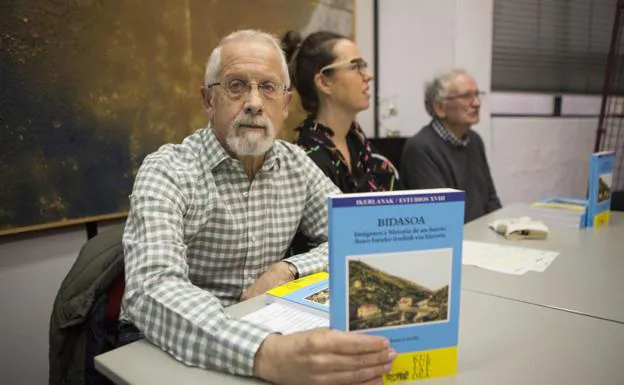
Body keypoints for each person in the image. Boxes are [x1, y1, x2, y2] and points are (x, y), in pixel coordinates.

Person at [118, 30, 395, 385]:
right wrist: (266, 353)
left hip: (268, 327)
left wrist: (289, 268)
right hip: (176, 346)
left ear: (285, 102)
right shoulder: (168, 171)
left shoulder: (295, 164)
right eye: (236, 86)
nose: (253, 102)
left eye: (267, 87)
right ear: (208, 100)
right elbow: (152, 290)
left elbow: (358, 234)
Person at [282, 30, 398, 194]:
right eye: (356, 66)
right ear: (324, 82)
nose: (368, 76)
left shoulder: (359, 144)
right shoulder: (306, 160)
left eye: (364, 66)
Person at [400, 69, 501, 222]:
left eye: (477, 95)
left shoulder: (475, 140)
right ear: (440, 108)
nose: (477, 103)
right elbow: (440, 217)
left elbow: (491, 199)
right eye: (466, 96)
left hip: (482, 237)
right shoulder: (420, 148)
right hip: (453, 241)